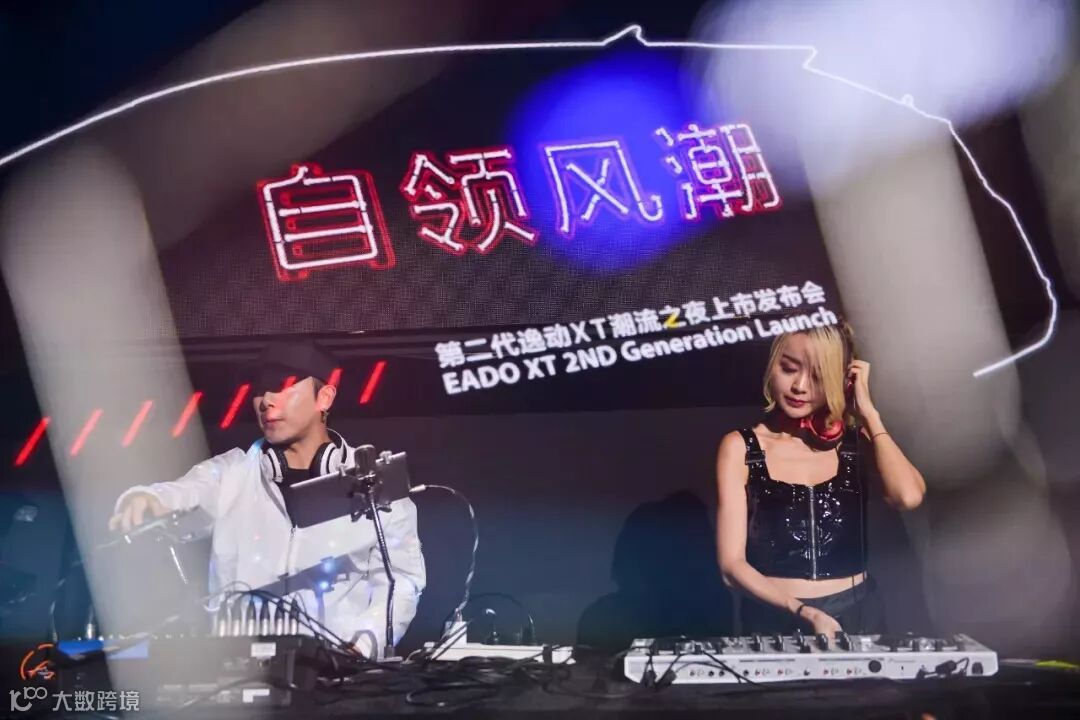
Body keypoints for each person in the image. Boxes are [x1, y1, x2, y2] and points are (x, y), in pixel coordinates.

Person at [108, 339, 425, 657]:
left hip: (339, 671)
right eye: (260, 389)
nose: (266, 401)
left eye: (283, 385)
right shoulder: (230, 473)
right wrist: (146, 498)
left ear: (324, 397)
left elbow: (402, 581)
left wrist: (362, 647)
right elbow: (184, 492)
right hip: (238, 670)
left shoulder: (374, 482)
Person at [715, 322, 925, 636]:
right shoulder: (739, 447)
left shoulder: (857, 443)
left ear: (842, 380)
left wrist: (869, 414)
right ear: (772, 366)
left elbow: (908, 496)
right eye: (789, 369)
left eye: (818, 376)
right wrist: (802, 611)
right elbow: (731, 566)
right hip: (774, 617)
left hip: (856, 614)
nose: (799, 386)